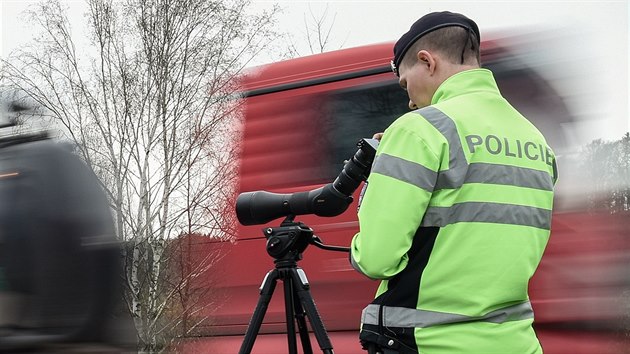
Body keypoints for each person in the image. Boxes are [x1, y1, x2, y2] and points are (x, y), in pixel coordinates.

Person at [349, 11, 558, 354]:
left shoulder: (418, 129)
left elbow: (377, 259)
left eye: (405, 83)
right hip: (516, 343)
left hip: (426, 342)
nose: (410, 100)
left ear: (426, 61)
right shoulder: (536, 141)